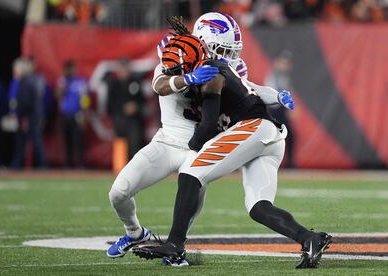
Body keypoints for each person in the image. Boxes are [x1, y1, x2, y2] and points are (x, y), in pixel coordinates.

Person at [132, 22, 331, 269]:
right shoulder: (219, 67)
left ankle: (174, 245)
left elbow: (206, 128)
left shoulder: (211, 74)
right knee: (258, 207)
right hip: (271, 134)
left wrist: (190, 150)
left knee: (191, 171)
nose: (176, 68)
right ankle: (309, 238)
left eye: (178, 62)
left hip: (252, 128)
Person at [106, 13, 294, 266]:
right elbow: (160, 85)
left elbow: (251, 88)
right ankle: (135, 233)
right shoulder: (176, 54)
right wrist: (188, 78)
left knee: (192, 186)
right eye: (222, 49)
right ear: (204, 41)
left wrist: (277, 96)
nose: (229, 57)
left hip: (201, 145)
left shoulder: (226, 67)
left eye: (231, 50)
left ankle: (176, 247)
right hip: (167, 141)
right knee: (118, 193)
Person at [105, 59, 146, 160]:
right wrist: (123, 108)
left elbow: (142, 100)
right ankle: (120, 171)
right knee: (121, 147)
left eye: (126, 68)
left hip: (134, 120)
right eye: (122, 68)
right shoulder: (113, 84)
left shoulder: (135, 82)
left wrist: (136, 106)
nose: (124, 70)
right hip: (120, 120)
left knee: (135, 145)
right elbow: (109, 105)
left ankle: (135, 170)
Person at [10, 58, 47, 169]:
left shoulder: (25, 82)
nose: (15, 71)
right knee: (28, 142)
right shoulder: (29, 81)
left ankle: (41, 165)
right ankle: (18, 164)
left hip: (30, 117)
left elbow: (25, 103)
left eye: (16, 69)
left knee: (30, 142)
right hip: (32, 116)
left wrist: (23, 117)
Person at [265, 50, 295, 168]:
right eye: (284, 62)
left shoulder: (283, 75)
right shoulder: (275, 75)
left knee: (288, 136)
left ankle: (289, 163)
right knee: (275, 137)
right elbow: (278, 94)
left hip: (279, 109)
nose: (286, 65)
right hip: (273, 109)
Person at [56, 60, 88, 168]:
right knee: (66, 140)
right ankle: (67, 164)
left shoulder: (80, 82)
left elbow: (84, 98)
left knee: (78, 140)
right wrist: (62, 88)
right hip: (65, 115)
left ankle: (80, 164)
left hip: (77, 114)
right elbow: (58, 96)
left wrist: (84, 113)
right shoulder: (62, 81)